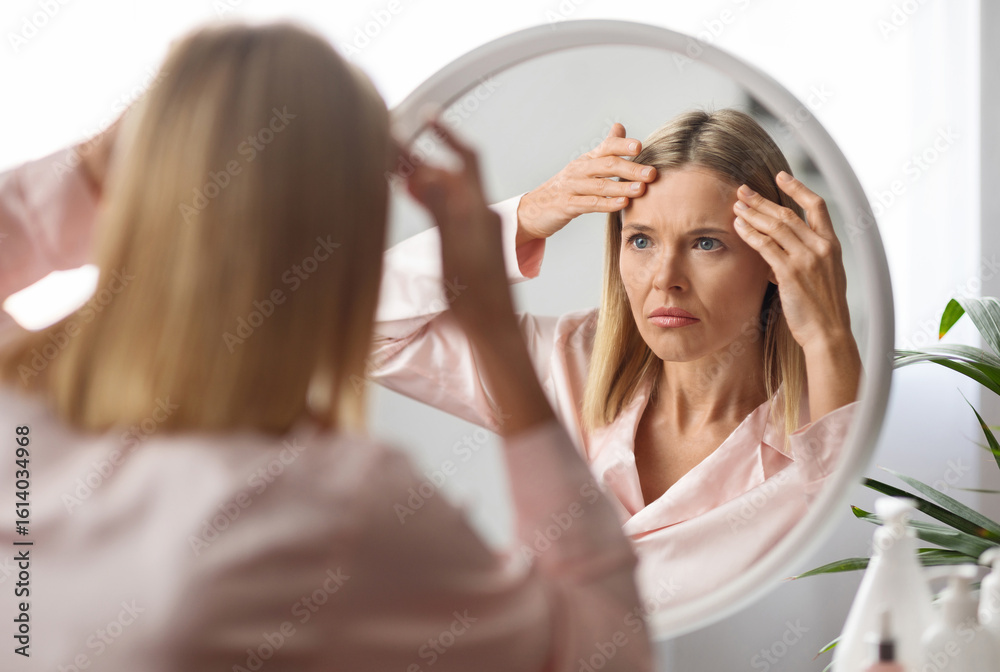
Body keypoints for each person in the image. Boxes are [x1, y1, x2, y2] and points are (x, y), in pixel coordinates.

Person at [0, 22, 653, 671]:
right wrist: (493, 328)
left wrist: (93, 169)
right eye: (645, 240)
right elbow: (608, 652)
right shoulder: (325, 511)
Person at [370, 108, 863, 611]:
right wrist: (528, 214)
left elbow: (855, 578)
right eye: (642, 240)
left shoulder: (824, 415)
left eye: (707, 243)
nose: (664, 277)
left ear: (776, 257)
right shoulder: (567, 363)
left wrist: (828, 338)